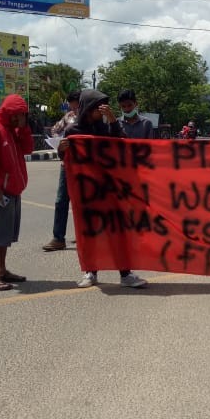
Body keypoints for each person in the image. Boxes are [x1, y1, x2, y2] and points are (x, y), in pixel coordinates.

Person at [59, 90, 146, 289]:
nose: (102, 110)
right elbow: (68, 162)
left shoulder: (106, 129)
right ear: (88, 108)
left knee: (117, 233)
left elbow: (123, 145)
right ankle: (91, 272)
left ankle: (125, 274)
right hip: (87, 193)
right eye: (99, 106)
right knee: (90, 233)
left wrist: (113, 120)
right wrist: (61, 150)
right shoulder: (73, 132)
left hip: (109, 190)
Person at [0, 93, 33, 291]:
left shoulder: (13, 131)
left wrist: (24, 127)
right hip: (2, 191)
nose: (21, 117)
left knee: (6, 234)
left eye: (24, 115)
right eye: (19, 114)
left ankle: (1, 270)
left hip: (14, 189)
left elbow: (28, 149)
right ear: (11, 113)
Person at [109, 88, 155, 289]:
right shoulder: (114, 124)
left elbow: (151, 150)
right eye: (123, 107)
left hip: (138, 177)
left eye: (129, 105)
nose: (127, 109)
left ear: (136, 104)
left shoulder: (146, 124)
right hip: (120, 179)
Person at [42, 90, 81, 252]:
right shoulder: (68, 117)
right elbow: (54, 130)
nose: (74, 109)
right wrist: (60, 140)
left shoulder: (91, 117)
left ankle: (84, 235)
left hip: (86, 165)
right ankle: (58, 238)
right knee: (61, 201)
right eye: (72, 106)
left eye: (77, 106)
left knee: (83, 202)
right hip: (67, 164)